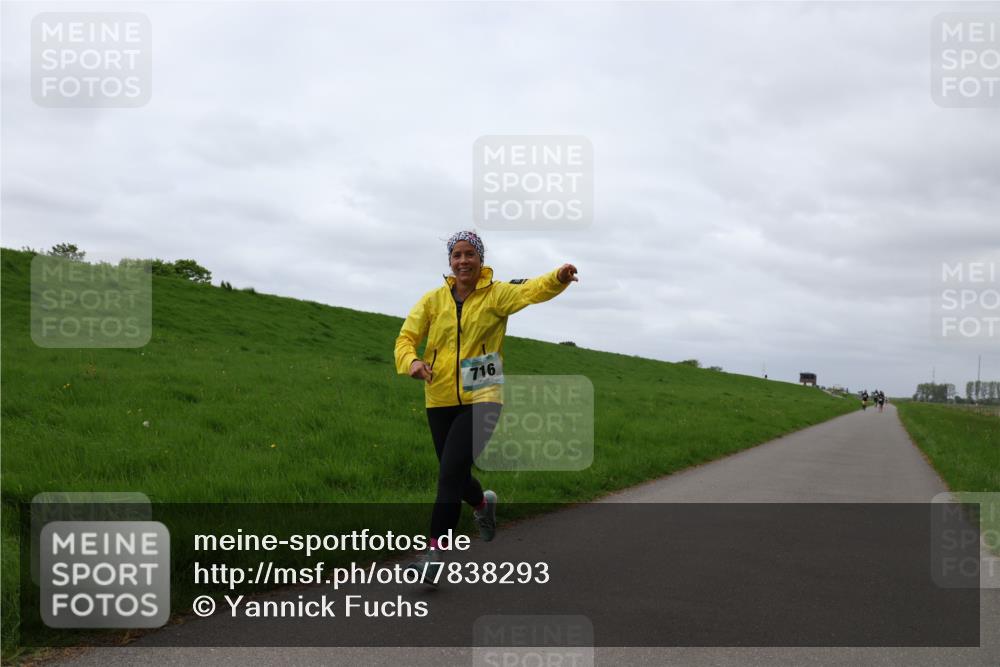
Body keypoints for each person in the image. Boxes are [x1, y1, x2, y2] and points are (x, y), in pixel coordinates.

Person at [394, 230, 578, 577]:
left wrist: (558, 277)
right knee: (456, 474)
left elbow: (531, 290)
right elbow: (406, 337)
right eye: (457, 255)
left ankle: (432, 557)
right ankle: (482, 503)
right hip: (439, 395)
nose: (463, 261)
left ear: (481, 260)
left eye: (470, 254)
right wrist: (412, 363)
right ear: (450, 262)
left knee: (448, 473)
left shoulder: (496, 295)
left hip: (484, 394)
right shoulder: (433, 300)